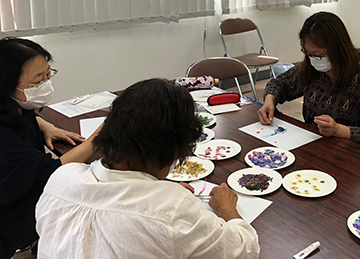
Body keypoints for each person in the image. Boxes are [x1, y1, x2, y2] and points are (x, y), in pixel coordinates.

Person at [36, 78, 260, 258]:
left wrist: (155, 189)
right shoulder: (172, 209)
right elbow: (245, 250)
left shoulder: (60, 178)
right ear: (178, 147)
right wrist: (227, 209)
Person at [0, 37, 97, 259]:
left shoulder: (17, 103)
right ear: (7, 84)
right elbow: (52, 171)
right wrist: (101, 137)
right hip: (14, 214)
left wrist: (46, 126)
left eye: (48, 74)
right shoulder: (4, 136)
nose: (45, 84)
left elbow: (28, 114)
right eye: (37, 80)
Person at [257, 12, 360, 151]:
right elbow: (279, 84)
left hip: (351, 154)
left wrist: (337, 130)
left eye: (318, 54)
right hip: (315, 145)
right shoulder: (311, 68)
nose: (313, 59)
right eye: (307, 53)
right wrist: (269, 101)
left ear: (338, 49)